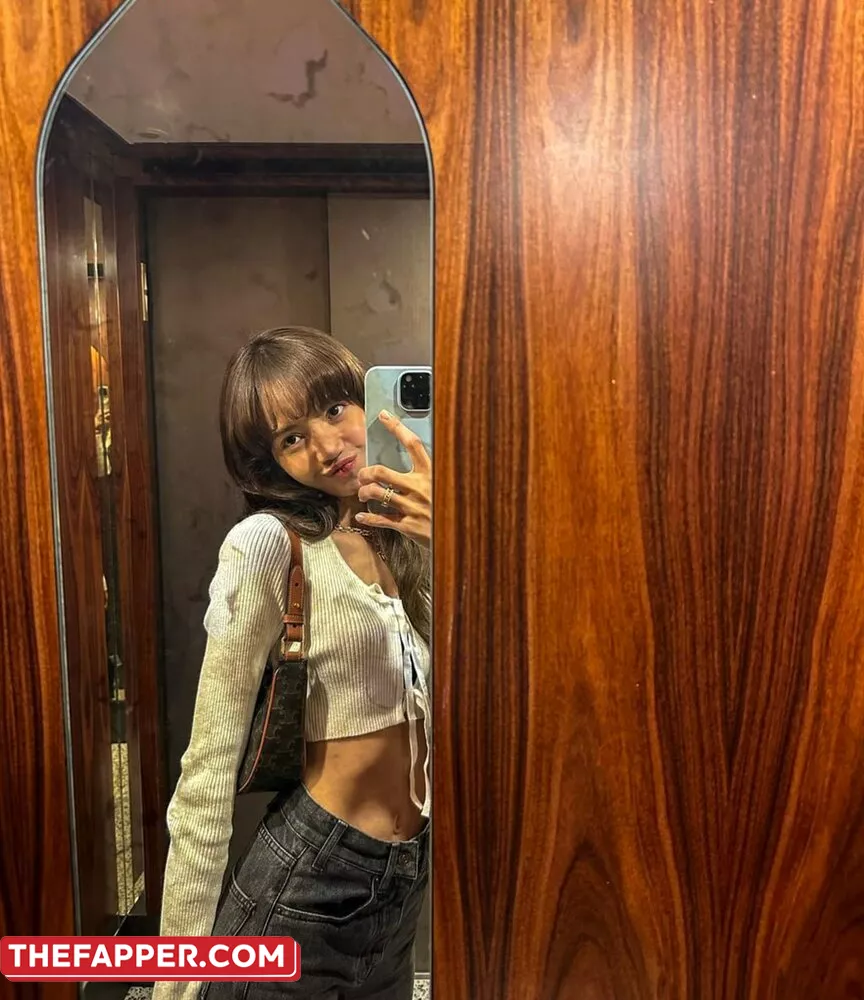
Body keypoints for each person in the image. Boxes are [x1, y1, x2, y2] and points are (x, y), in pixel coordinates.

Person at [154, 327, 431, 1000]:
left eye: (334, 409)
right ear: (270, 462)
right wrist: (176, 980)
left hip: (402, 882)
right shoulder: (266, 545)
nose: (328, 446)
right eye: (292, 438)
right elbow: (208, 766)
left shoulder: (402, 536)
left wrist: (453, 532)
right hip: (307, 880)